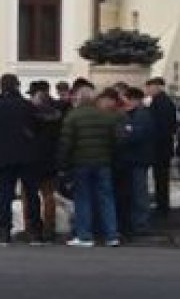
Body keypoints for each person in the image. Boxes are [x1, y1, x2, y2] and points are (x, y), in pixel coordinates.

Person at [0, 74, 43, 245]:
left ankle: (5, 232)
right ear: (17, 86)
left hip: (3, 156)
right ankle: (35, 232)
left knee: (5, 195)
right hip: (27, 156)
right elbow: (38, 128)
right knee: (31, 194)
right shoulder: (27, 106)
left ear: (1, 87)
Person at [59, 87, 121, 247]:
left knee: (83, 198)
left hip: (81, 163)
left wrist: (63, 164)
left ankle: (85, 235)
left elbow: (66, 143)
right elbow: (116, 140)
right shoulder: (106, 116)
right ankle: (111, 235)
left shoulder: (72, 116)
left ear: (79, 99)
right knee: (107, 198)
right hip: (103, 163)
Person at [114, 87, 156, 237]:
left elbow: (135, 135)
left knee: (139, 193)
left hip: (137, 159)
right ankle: (136, 222)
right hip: (132, 159)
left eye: (125, 98)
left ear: (133, 99)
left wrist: (125, 133)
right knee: (134, 192)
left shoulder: (142, 115)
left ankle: (141, 223)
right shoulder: (131, 114)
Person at [25, 80, 63, 242]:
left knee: (28, 196)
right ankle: (49, 228)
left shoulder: (30, 117)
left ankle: (31, 228)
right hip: (50, 160)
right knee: (49, 195)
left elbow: (25, 136)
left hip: (31, 160)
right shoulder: (57, 118)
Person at [145, 77, 177, 218]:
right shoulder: (162, 101)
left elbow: (161, 126)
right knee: (160, 177)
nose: (148, 90)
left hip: (160, 147)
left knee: (161, 177)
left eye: (150, 87)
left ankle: (162, 206)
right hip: (162, 146)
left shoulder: (161, 102)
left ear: (158, 87)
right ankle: (162, 204)